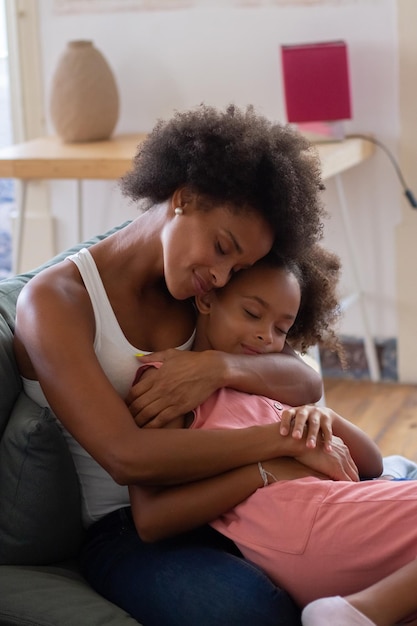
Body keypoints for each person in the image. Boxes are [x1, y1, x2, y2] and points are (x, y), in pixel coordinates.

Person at [12, 104, 357, 626]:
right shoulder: (57, 302)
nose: (220, 277)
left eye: (236, 267)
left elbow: (304, 377)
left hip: (235, 502)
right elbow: (128, 457)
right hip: (131, 526)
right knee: (253, 611)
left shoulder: (199, 294)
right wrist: (280, 446)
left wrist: (219, 368)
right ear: (183, 198)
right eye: (222, 249)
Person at [128, 247, 417, 626]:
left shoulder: (267, 378)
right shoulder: (169, 381)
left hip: (341, 510)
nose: (265, 336)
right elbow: (153, 518)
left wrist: (324, 418)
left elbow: (371, 463)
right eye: (252, 313)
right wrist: (269, 468)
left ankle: (362, 614)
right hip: (312, 527)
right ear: (206, 298)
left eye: (282, 329)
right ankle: (355, 613)